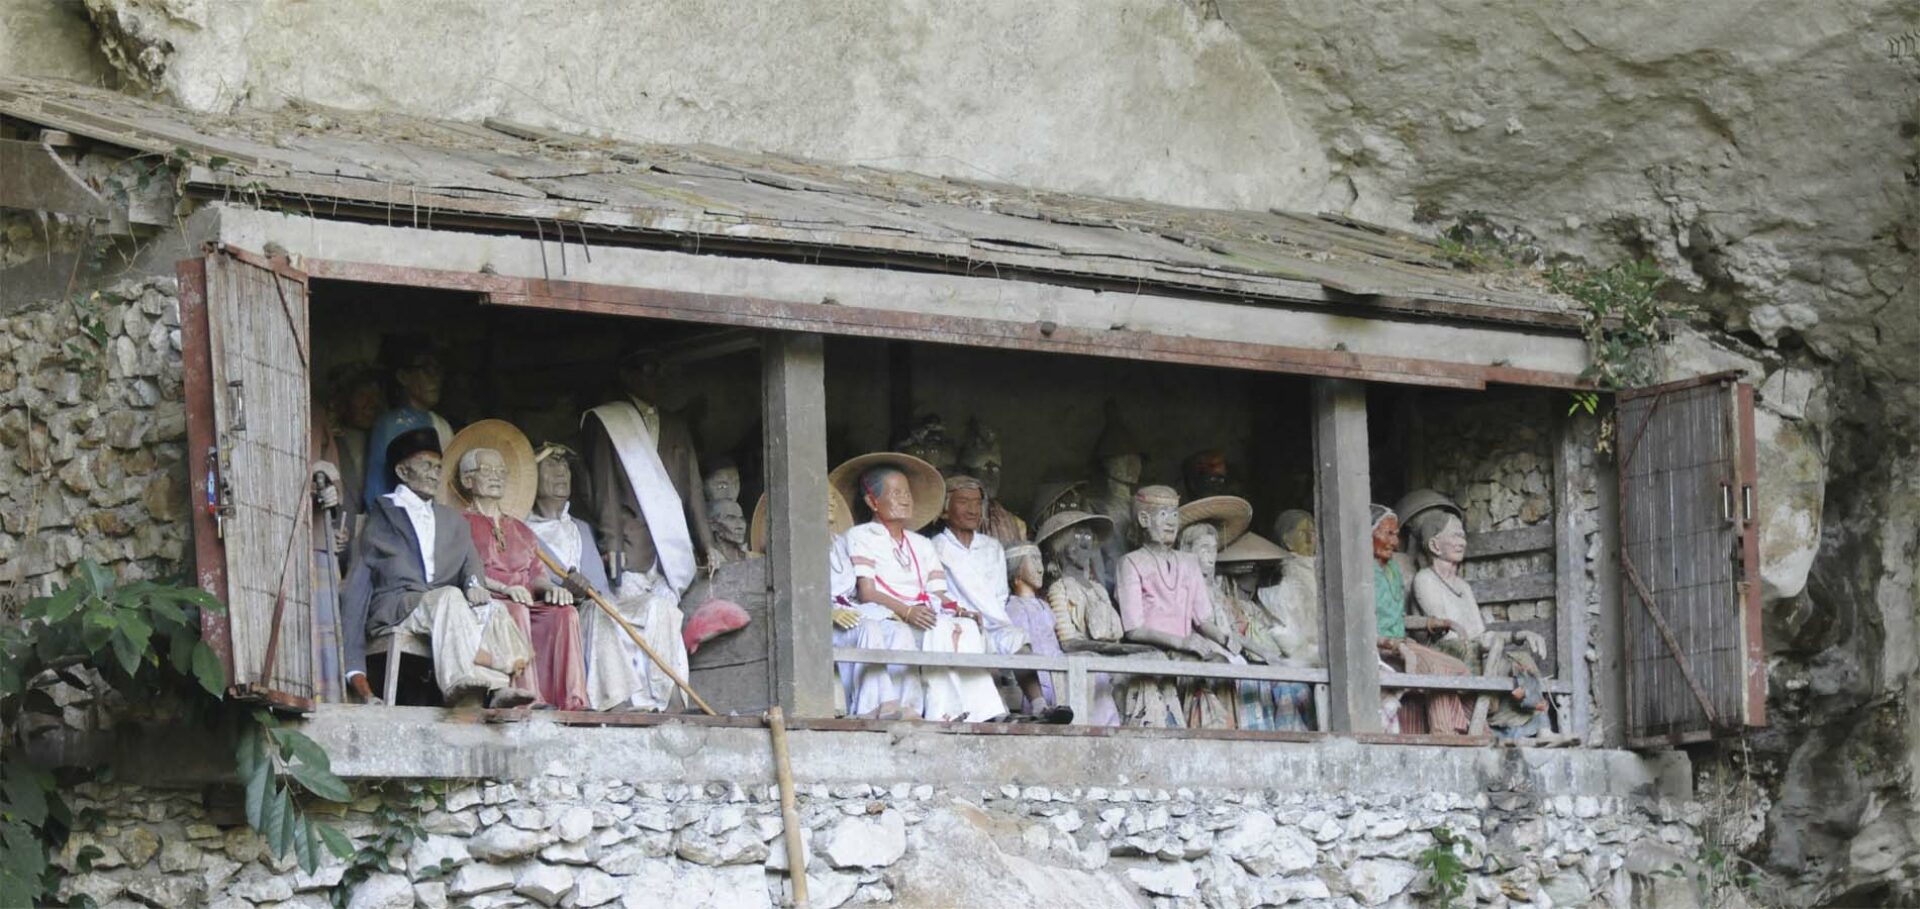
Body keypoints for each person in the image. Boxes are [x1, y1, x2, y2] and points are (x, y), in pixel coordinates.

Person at [341, 427, 534, 708]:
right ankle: (461, 684)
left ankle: (497, 689)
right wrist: (354, 669)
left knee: (495, 610)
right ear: (402, 471)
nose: (434, 474)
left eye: (438, 467)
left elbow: (470, 563)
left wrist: (474, 585)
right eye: (426, 465)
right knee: (450, 597)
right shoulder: (381, 519)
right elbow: (356, 590)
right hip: (399, 608)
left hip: (444, 607)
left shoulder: (452, 520)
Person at [582, 350, 711, 711]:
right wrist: (611, 545)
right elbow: (605, 490)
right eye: (650, 370)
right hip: (629, 546)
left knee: (664, 617)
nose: (658, 379)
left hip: (670, 548)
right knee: (628, 622)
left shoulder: (676, 424)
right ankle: (634, 698)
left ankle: (667, 696)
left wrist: (707, 543)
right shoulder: (607, 420)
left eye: (663, 371)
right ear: (627, 375)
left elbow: (693, 488)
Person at [837, 453, 1006, 723]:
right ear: (872, 502)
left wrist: (960, 610)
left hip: (923, 613)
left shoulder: (922, 544)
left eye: (907, 493)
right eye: (896, 493)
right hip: (888, 616)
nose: (905, 499)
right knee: (937, 629)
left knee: (965, 627)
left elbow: (938, 594)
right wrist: (907, 612)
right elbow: (867, 592)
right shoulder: (861, 536)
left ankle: (983, 712)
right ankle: (944, 713)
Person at [445, 423, 588, 711]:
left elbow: (536, 575)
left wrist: (551, 589)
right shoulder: (458, 523)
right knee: (516, 609)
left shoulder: (520, 528)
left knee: (566, 613)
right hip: (487, 604)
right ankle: (527, 697)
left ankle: (573, 700)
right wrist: (506, 588)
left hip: (524, 600)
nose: (496, 476)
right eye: (487, 470)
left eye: (501, 471)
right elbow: (460, 572)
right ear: (468, 480)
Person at [1116, 486, 1240, 728]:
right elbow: (1134, 629)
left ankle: (1228, 735)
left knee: (1222, 667)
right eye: (1163, 515)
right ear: (1144, 519)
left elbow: (1202, 620)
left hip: (1187, 650)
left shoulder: (1189, 562)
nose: (1171, 522)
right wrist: (1181, 642)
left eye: (1174, 514)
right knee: (1185, 670)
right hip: (1152, 650)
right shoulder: (1130, 562)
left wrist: (1225, 638)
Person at [935, 476, 1053, 717]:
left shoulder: (992, 547)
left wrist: (992, 619)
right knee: (978, 642)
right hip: (959, 623)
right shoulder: (936, 547)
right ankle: (998, 710)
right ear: (945, 510)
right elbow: (936, 594)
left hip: (994, 619)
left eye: (977, 503)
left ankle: (1040, 705)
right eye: (964, 502)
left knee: (1017, 640)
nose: (973, 510)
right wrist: (965, 616)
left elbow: (1000, 594)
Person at [1371, 505, 1471, 734]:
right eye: (1388, 534)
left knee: (1459, 668)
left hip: (1403, 644)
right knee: (1437, 668)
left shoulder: (1393, 570)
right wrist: (1391, 644)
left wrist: (1431, 623)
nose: (1395, 542)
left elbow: (1399, 619)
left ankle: (1469, 729)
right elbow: (1359, 627)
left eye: (1396, 535)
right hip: (1378, 651)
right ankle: (1443, 732)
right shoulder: (1360, 573)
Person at [362, 338, 453, 510]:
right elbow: (376, 486)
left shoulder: (442, 425)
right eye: (427, 370)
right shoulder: (389, 424)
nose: (435, 379)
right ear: (403, 376)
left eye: (438, 370)